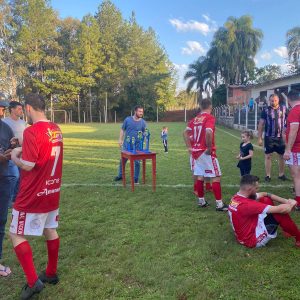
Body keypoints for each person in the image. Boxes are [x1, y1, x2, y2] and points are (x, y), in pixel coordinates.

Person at [10, 93, 63, 299]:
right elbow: (43, 150)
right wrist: (23, 147)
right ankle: (50, 272)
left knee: (15, 233)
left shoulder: (31, 130)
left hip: (33, 193)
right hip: (52, 190)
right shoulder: (56, 129)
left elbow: (30, 164)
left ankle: (33, 283)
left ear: (29, 108)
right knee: (50, 229)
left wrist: (15, 156)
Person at [228, 175, 300, 248]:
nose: (258, 189)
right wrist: (292, 203)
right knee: (280, 214)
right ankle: (299, 238)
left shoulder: (237, 197)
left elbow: (265, 194)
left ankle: (287, 229)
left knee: (265, 199)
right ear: (249, 189)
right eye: (256, 188)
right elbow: (283, 209)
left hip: (244, 234)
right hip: (252, 240)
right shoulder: (248, 205)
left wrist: (286, 201)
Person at [183, 98, 227, 211]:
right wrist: (208, 147)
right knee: (216, 177)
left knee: (200, 175)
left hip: (196, 152)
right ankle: (219, 204)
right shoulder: (209, 117)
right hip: (205, 151)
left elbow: (185, 133)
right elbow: (208, 132)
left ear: (200, 107)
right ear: (210, 107)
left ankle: (201, 201)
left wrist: (189, 147)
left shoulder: (195, 119)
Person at [257, 94, 288, 182]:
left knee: (281, 156)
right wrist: (259, 138)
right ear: (269, 101)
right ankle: (268, 176)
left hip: (280, 138)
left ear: (278, 100)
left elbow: (289, 121)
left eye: (275, 100)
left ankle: (281, 174)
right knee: (268, 156)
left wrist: (286, 132)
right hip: (269, 137)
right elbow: (261, 124)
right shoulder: (265, 110)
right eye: (271, 100)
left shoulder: (284, 108)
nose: (273, 102)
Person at [114, 105, 147, 184]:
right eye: (139, 111)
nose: (141, 113)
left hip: (138, 146)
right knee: (122, 160)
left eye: (142, 112)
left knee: (137, 162)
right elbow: (122, 129)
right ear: (135, 111)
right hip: (127, 145)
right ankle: (120, 175)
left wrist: (145, 139)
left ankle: (135, 179)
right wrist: (120, 139)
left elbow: (144, 132)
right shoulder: (128, 120)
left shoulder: (143, 122)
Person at [3, 101, 27, 207]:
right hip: (10, 155)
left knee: (21, 178)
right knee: (14, 176)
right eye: (19, 109)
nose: (21, 111)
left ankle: (15, 199)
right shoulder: (4, 122)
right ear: (12, 109)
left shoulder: (23, 123)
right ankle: (8, 200)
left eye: (22, 109)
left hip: (22, 154)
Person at [0, 99, 14, 278]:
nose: (1, 109)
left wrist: (13, 147)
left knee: (1, 221)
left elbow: (11, 148)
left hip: (2, 179)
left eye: (2, 107)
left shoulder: (5, 128)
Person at [283, 90, 300, 209]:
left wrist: (288, 150)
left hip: (296, 148)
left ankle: (298, 201)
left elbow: (294, 130)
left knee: (296, 175)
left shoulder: (295, 111)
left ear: (289, 100)